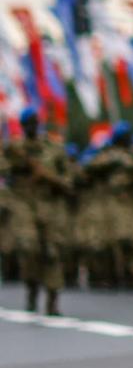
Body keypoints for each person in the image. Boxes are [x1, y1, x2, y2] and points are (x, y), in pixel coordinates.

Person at [2, 108, 73, 315]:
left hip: (49, 205)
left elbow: (68, 181)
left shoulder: (54, 148)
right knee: (29, 247)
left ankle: (53, 299)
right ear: (23, 126)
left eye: (34, 122)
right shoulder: (14, 148)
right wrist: (16, 163)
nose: (32, 127)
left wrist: (50, 178)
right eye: (28, 123)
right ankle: (32, 288)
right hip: (23, 204)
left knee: (52, 251)